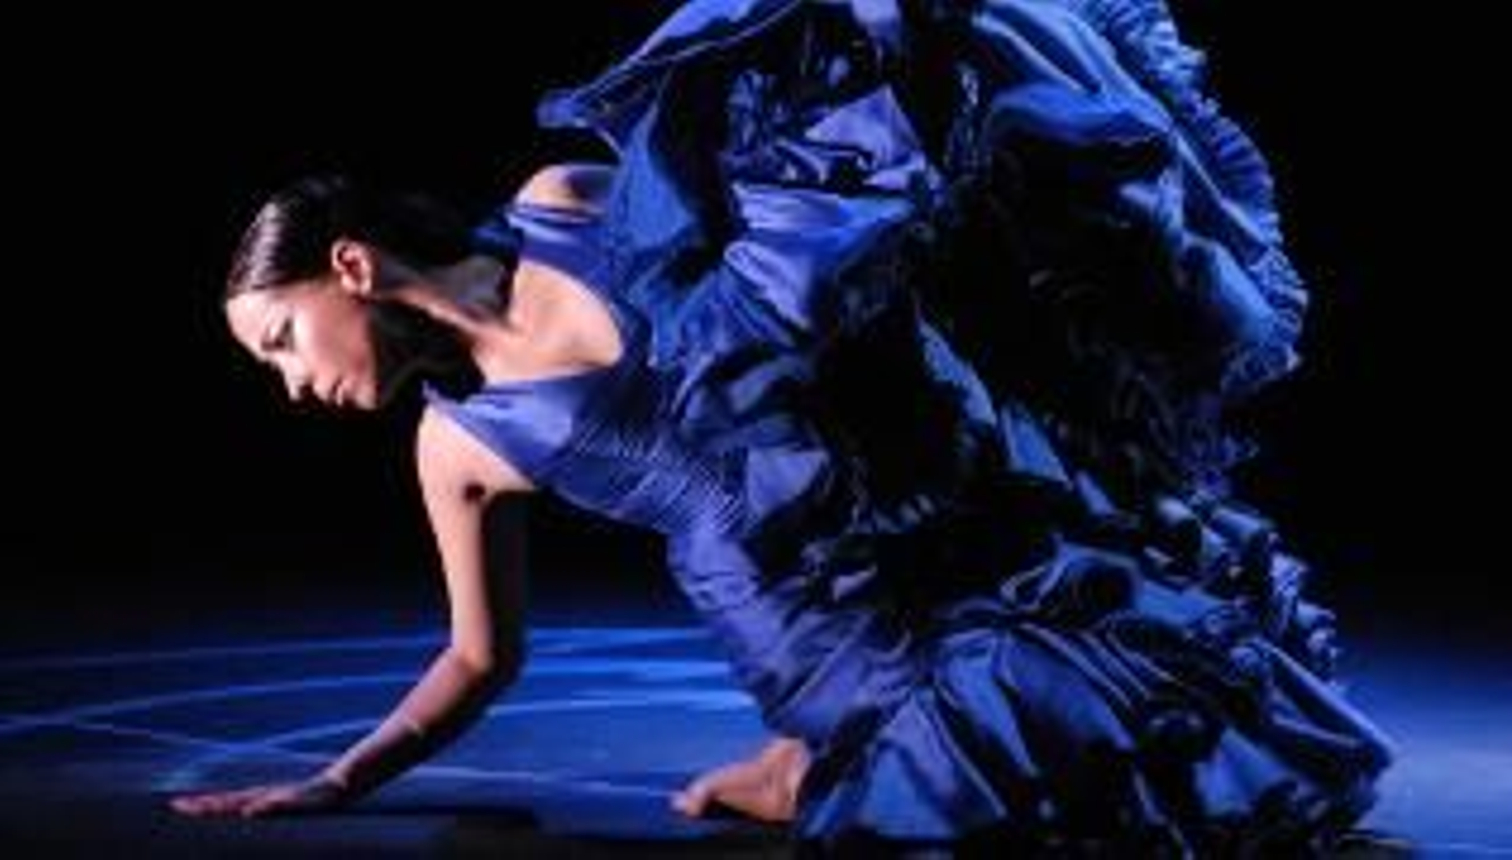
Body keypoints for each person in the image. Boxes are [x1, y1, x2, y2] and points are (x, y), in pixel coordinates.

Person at [176, 0, 1397, 852]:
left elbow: (779, 225)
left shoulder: (560, 204)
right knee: (1006, 786)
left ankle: (801, 769)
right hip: (808, 616)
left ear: (351, 266)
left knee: (1146, 688)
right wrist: (338, 778)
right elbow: (478, 657)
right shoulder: (452, 449)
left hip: (910, 482)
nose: (292, 383)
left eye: (281, 339)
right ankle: (811, 763)